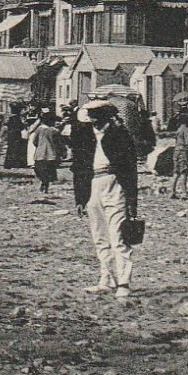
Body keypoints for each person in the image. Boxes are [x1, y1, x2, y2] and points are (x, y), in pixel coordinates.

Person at [72, 101, 138, 299]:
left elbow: (130, 169)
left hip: (115, 184)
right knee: (99, 236)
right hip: (92, 185)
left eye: (95, 116)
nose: (92, 120)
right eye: (90, 116)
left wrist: (132, 199)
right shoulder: (85, 136)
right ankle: (106, 280)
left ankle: (124, 282)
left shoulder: (120, 136)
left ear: (105, 116)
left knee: (118, 235)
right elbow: (78, 167)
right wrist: (80, 198)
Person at [26, 111, 61, 194]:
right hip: (51, 154)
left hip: (40, 153)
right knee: (49, 170)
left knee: (39, 169)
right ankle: (46, 183)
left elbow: (34, 140)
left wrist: (38, 145)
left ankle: (43, 181)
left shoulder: (39, 129)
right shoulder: (55, 131)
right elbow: (58, 143)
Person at [169, 105, 188, 199]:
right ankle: (184, 192)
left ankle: (172, 191)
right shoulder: (186, 129)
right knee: (184, 172)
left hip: (176, 150)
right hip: (183, 151)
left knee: (176, 172)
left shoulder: (179, 129)